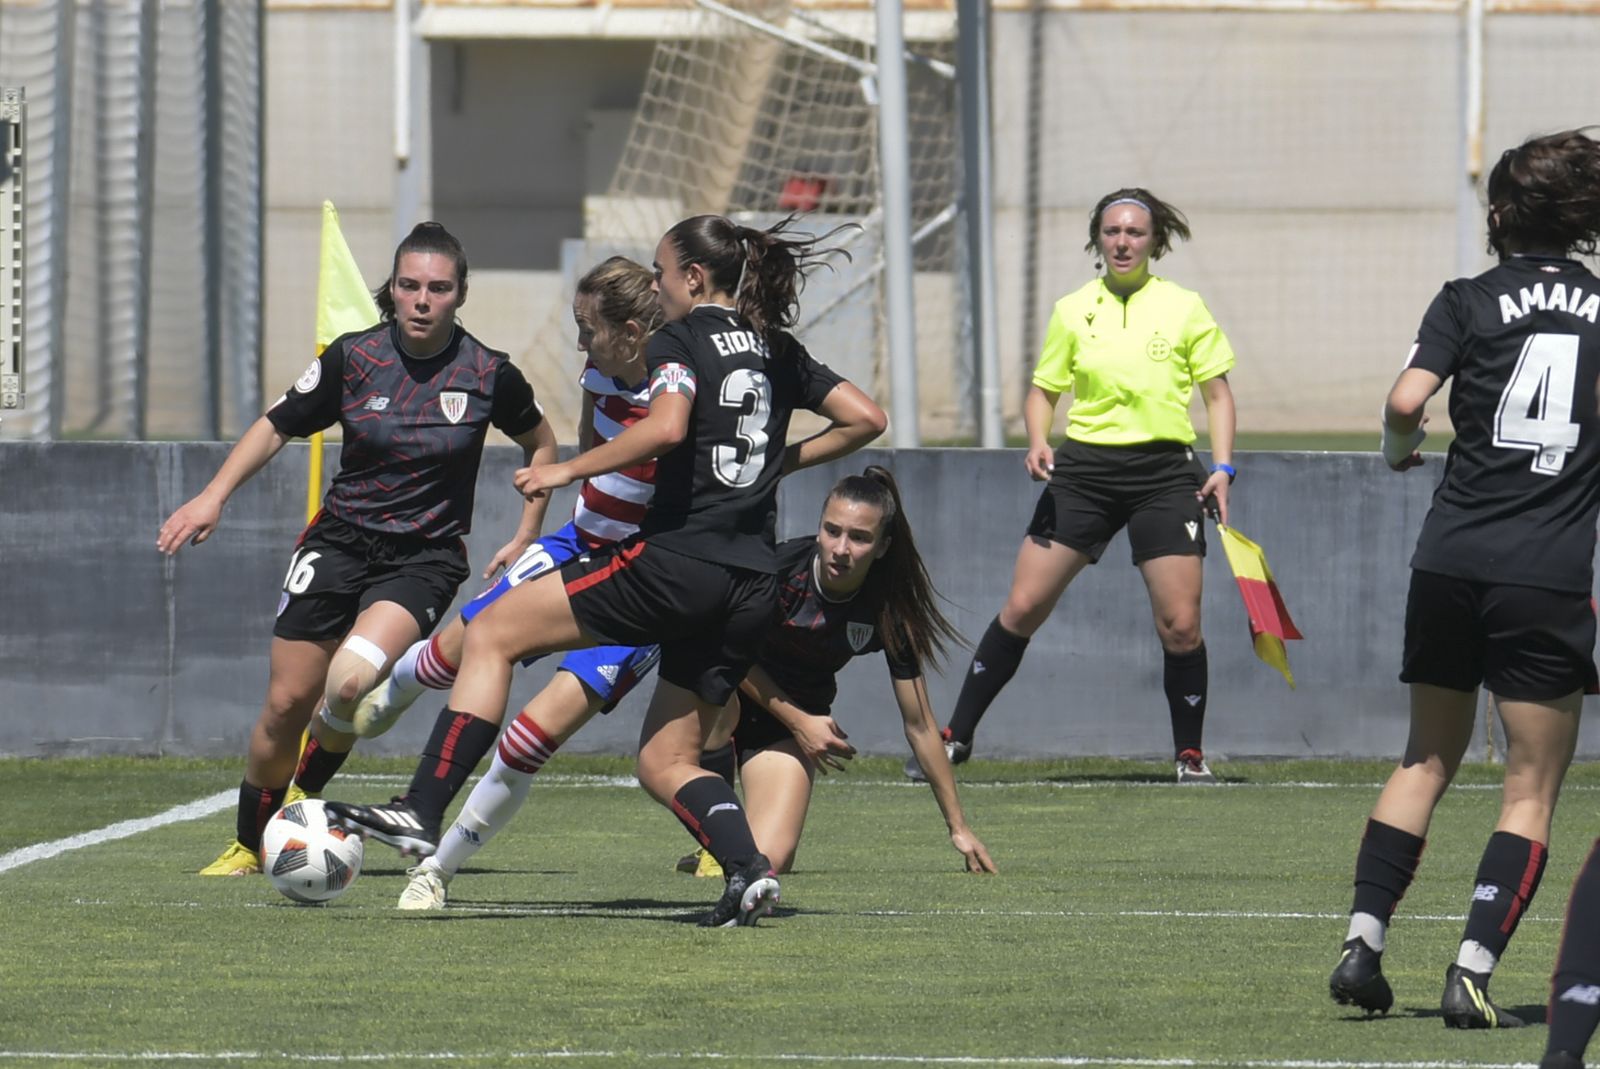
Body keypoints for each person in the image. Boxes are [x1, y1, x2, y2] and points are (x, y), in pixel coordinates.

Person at [330, 213, 887, 927]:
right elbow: (867, 417)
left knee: (494, 632)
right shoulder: (774, 346)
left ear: (693, 278)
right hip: (752, 581)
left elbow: (668, 426)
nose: (657, 286)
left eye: (662, 271)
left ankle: (421, 808)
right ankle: (748, 872)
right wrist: (774, 464)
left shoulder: (678, 339)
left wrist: (565, 468)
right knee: (665, 760)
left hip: (677, 563)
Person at [393, 465, 996, 909]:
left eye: (858, 538)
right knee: (706, 694)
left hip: (787, 726)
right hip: (727, 693)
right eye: (831, 530)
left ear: (883, 546)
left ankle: (723, 840)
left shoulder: (887, 612)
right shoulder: (776, 572)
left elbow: (920, 725)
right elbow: (728, 657)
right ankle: (714, 808)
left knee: (772, 862)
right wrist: (801, 721)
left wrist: (957, 825)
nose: (840, 548)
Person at [158, 222, 556, 877]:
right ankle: (248, 843)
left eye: (438, 288)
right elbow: (276, 426)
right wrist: (212, 496)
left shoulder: (489, 373)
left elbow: (542, 444)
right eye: (409, 285)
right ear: (391, 290)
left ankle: (301, 800)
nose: (422, 300)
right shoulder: (354, 357)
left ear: (460, 294)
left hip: (423, 558)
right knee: (286, 705)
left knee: (347, 682)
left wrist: (526, 533)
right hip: (338, 542)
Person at [1326, 127, 1600, 1030]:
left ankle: (1362, 943)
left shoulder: (1466, 298)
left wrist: (1395, 448)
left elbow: (1408, 400)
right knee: (1530, 788)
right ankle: (1470, 973)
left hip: (1448, 558)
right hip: (1544, 572)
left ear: (1501, 215)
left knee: (1424, 757)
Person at [908, 187, 1236, 785]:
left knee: (1181, 625)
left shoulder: (1185, 307)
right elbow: (1044, 392)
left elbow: (1217, 395)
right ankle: (955, 737)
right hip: (1083, 473)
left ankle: (1189, 755)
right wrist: (1039, 439)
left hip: (1165, 475)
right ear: (1097, 239)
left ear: (1154, 241)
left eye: (1135, 232)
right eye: (1112, 231)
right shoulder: (1073, 309)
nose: (1123, 242)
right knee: (1023, 606)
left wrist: (1224, 467)